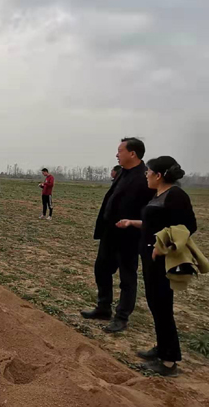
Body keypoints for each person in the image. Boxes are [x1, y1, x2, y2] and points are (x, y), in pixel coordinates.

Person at [116, 157, 197, 376]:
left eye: (148, 172)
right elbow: (155, 223)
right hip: (150, 259)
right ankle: (162, 348)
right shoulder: (159, 194)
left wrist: (164, 246)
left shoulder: (176, 195)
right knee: (156, 304)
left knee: (162, 306)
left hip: (163, 261)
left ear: (158, 175)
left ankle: (169, 362)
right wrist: (132, 222)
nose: (146, 175)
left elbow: (188, 227)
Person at [81, 138, 155, 333]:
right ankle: (103, 307)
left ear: (132, 153)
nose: (116, 154)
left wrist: (135, 225)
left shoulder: (145, 178)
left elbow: (150, 211)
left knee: (127, 277)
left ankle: (122, 317)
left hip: (129, 237)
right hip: (110, 233)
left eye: (120, 151)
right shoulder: (123, 172)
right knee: (101, 269)